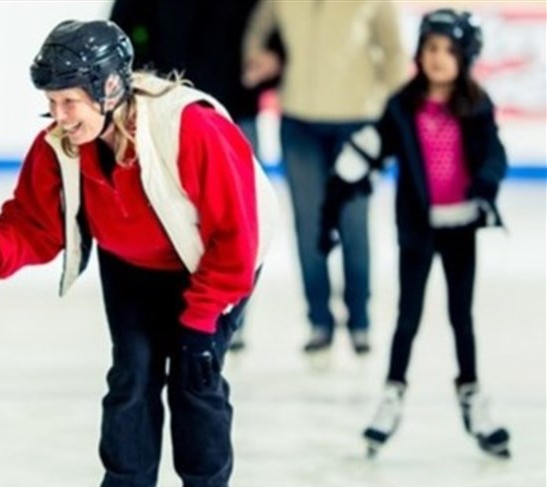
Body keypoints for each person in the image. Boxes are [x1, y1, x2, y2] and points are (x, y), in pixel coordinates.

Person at [0, 20, 277, 487]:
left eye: (68, 101)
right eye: (51, 103)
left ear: (109, 87)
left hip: (211, 266)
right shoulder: (60, 145)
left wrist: (201, 323)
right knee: (132, 379)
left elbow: (236, 238)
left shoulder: (192, 128)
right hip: (132, 268)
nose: (59, 116)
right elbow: (33, 224)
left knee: (195, 387)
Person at [318, 9, 511, 459]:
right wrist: (335, 197)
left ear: (466, 56)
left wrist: (486, 184)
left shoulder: (478, 107)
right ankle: (392, 393)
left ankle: (472, 394)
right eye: (430, 48)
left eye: (448, 50)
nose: (438, 58)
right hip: (418, 230)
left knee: (461, 318)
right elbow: (372, 146)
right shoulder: (402, 106)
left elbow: (493, 154)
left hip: (461, 225)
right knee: (408, 318)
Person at [109, 0, 284, 352]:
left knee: (237, 218)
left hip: (233, 106)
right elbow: (122, 30)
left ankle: (229, 314)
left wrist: (272, 61)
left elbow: (275, 25)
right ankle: (175, 312)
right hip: (161, 113)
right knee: (162, 215)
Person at [242, 0, 406, 357]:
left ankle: (360, 321)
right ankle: (319, 321)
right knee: (308, 225)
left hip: (357, 122)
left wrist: (391, 113)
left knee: (353, 223)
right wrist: (257, 55)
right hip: (299, 123)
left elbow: (394, 52)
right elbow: (258, 26)